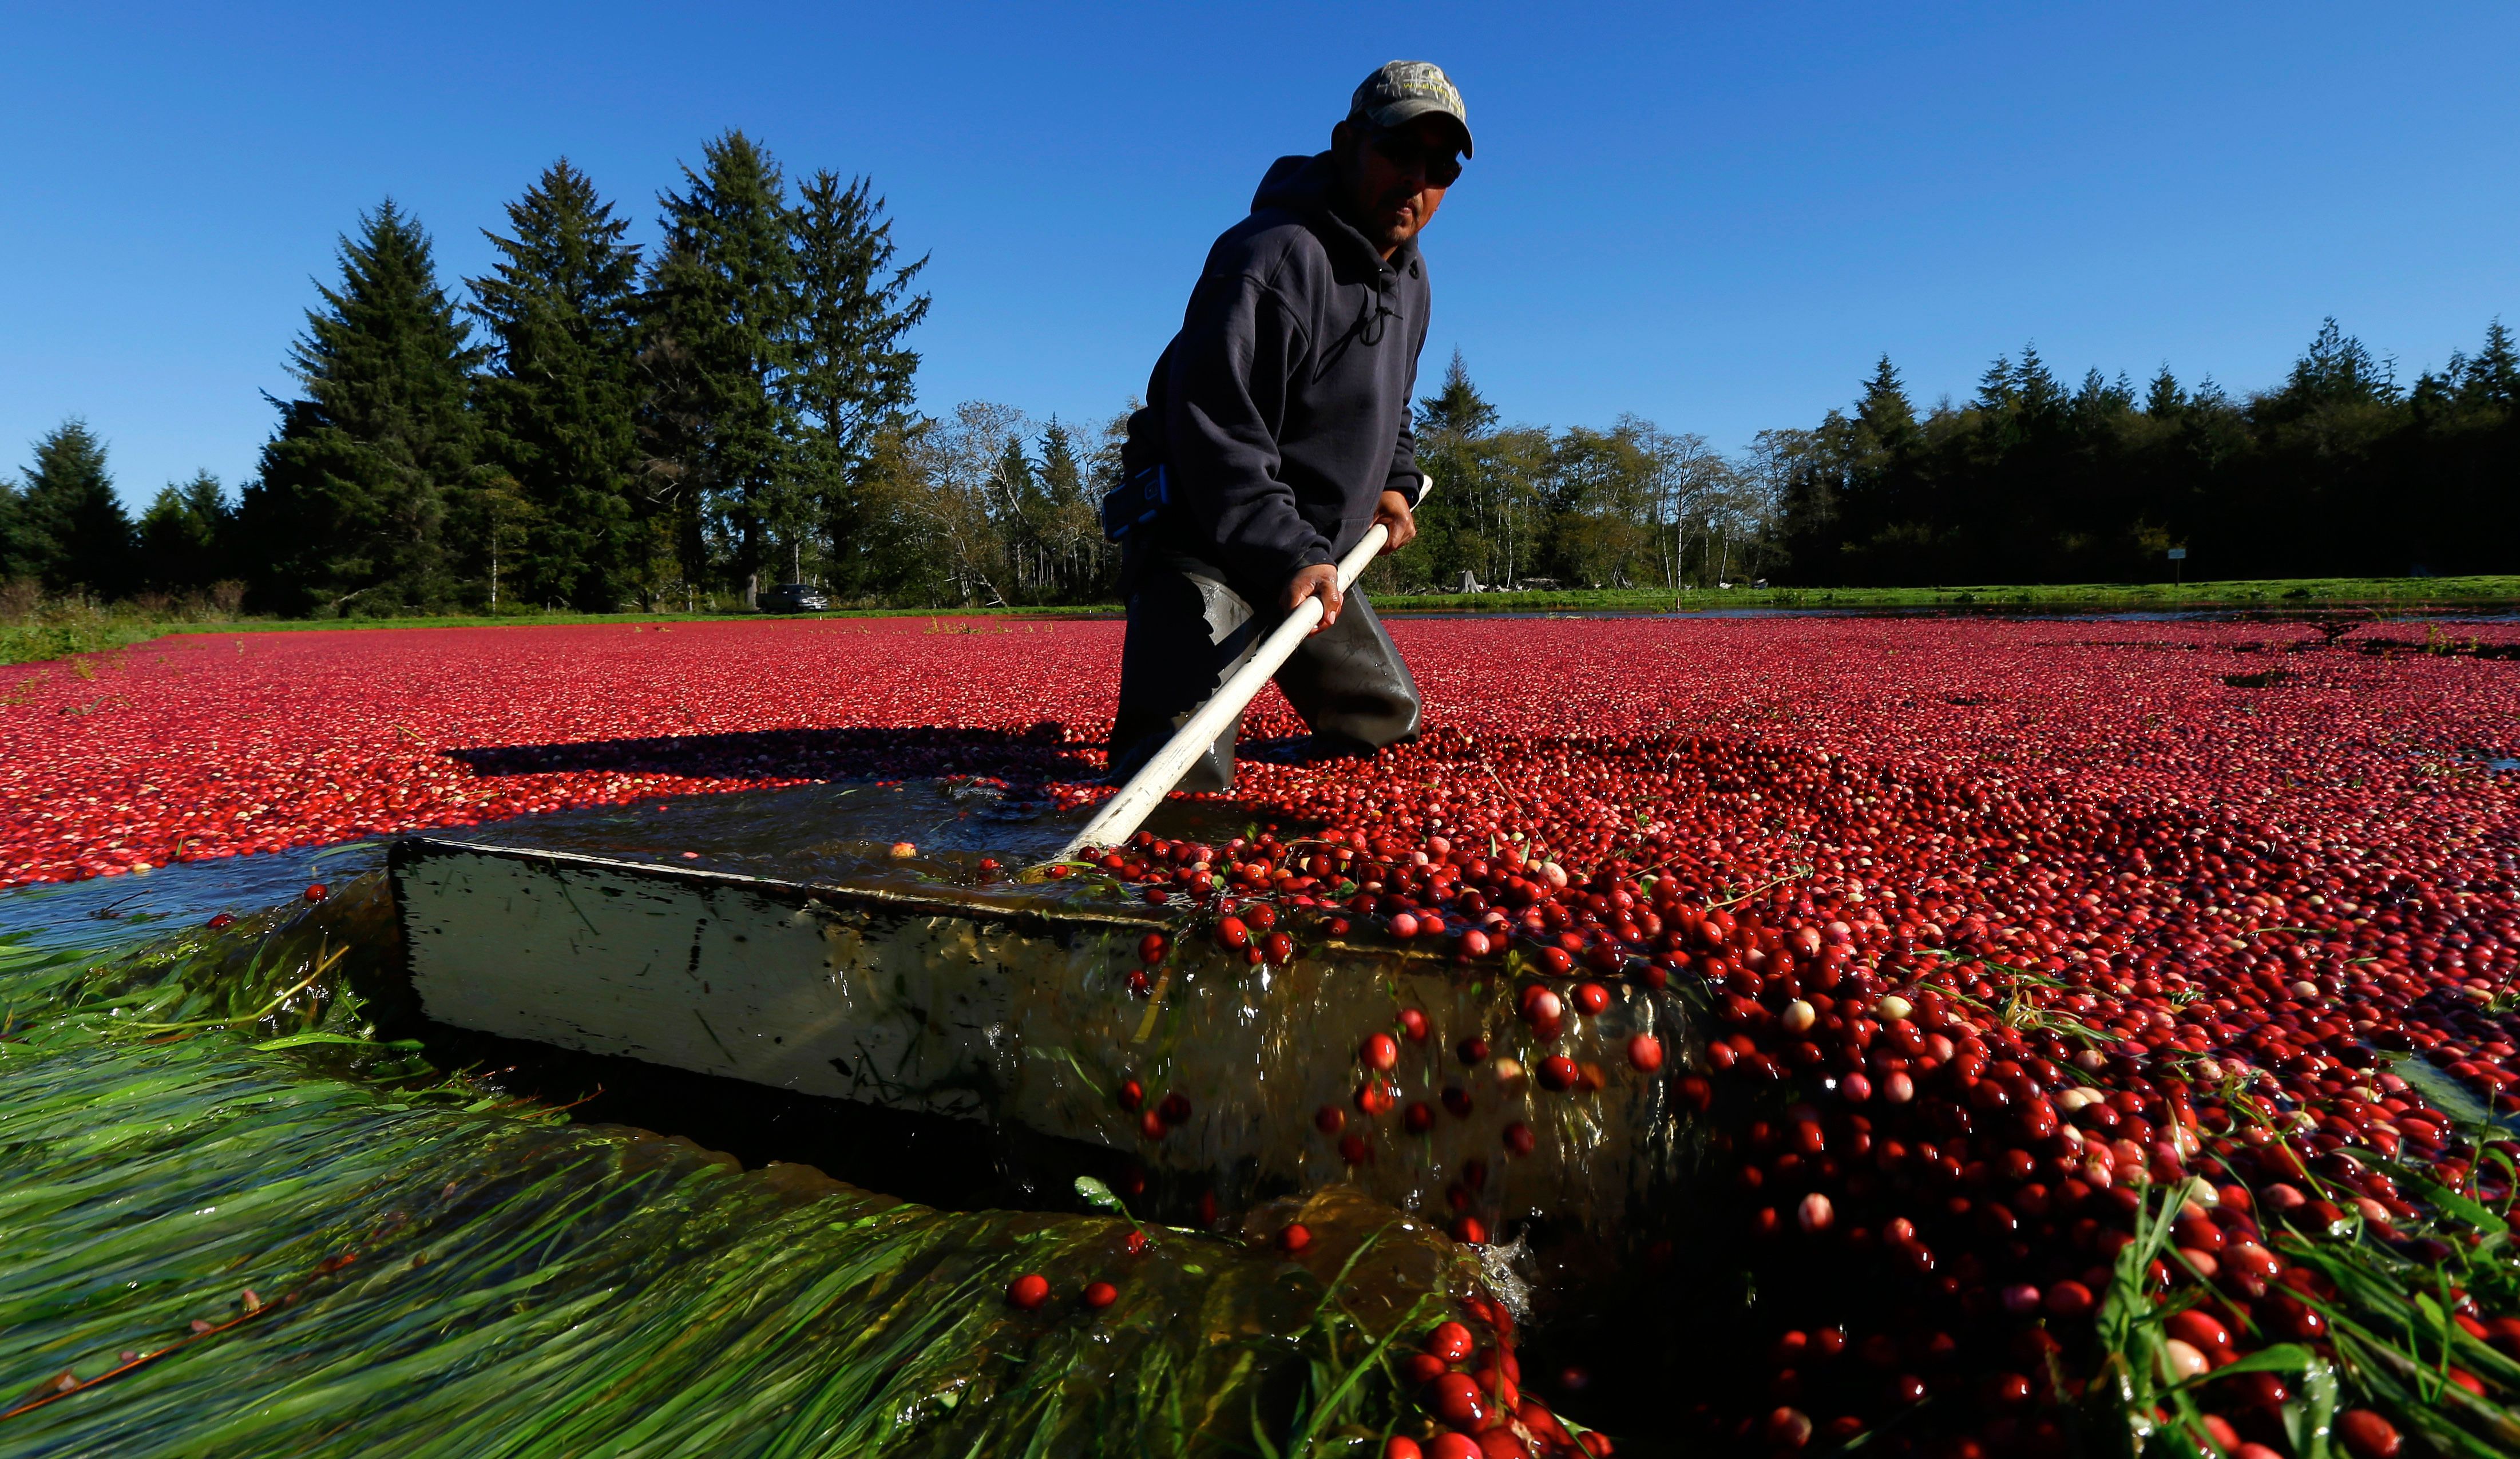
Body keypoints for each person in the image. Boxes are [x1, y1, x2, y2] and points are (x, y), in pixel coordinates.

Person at [1108, 60, 1471, 792]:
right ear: (1346, 145)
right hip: (1205, 532)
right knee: (1180, 776)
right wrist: (1286, 556)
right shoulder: (1268, 258)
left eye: (1439, 168)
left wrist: (1394, 481)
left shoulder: (1412, 281)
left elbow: (1393, 400)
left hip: (1312, 550)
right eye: (1398, 153)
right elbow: (1214, 433)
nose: (1416, 180)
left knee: (1383, 722)